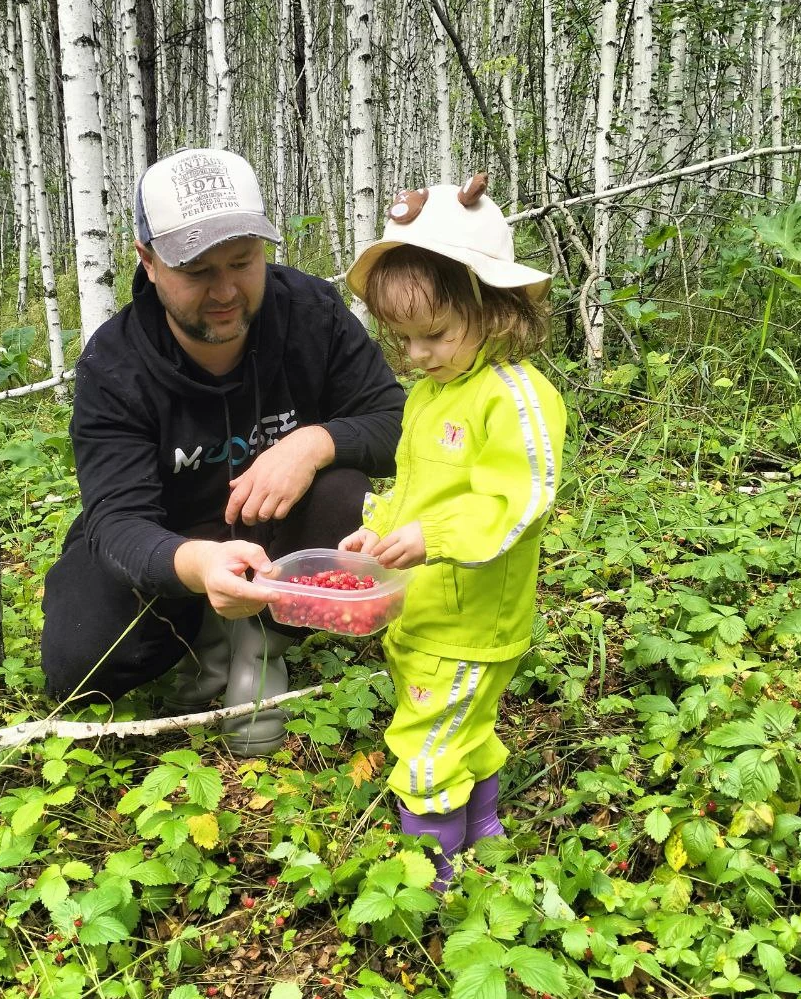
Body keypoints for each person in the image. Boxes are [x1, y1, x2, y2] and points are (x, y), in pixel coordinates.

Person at [41, 147, 405, 755]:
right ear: (149, 262)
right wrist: (196, 565)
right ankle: (204, 636)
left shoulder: (310, 314)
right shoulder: (116, 365)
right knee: (81, 662)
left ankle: (261, 647)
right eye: (196, 269)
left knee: (344, 486)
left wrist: (314, 442)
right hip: (173, 536)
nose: (226, 290)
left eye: (243, 261)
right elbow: (116, 520)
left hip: (280, 529)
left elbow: (394, 420)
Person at [339, 176, 567, 889]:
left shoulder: (517, 397)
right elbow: (417, 491)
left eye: (435, 335)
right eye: (404, 340)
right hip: (424, 606)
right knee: (459, 728)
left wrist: (432, 538)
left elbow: (516, 497)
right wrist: (376, 530)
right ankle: (482, 832)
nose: (417, 356)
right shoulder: (431, 394)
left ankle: (431, 877)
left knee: (425, 743)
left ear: (494, 308)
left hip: (471, 619)